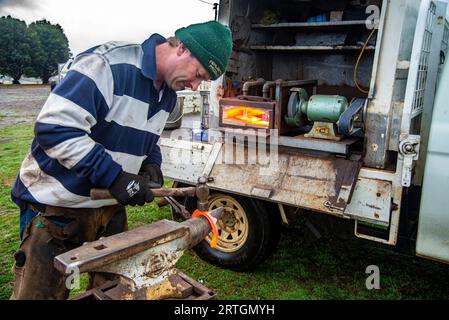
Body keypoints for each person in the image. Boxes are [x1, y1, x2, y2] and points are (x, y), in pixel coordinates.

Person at [9, 20, 232, 300]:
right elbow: (55, 129)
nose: (195, 84)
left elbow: (147, 138)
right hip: (56, 209)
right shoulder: (108, 66)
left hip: (109, 211)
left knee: (115, 294)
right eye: (198, 74)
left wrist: (152, 163)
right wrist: (114, 177)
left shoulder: (169, 96)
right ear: (182, 48)